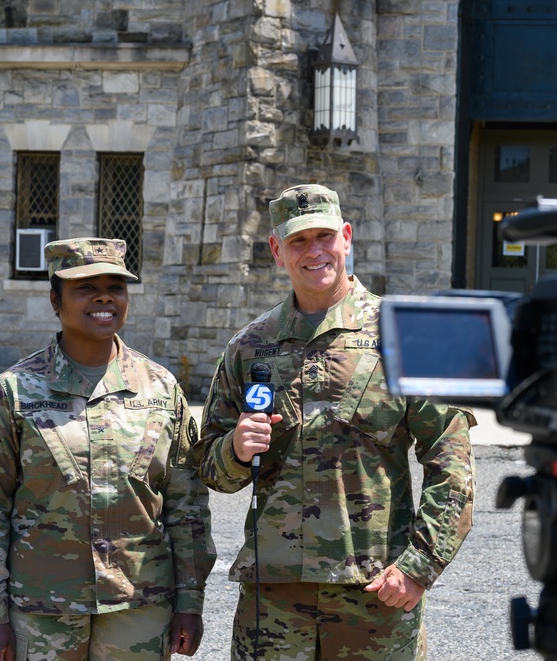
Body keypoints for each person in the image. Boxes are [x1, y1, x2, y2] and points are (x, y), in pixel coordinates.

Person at [195, 184, 476, 660]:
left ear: (346, 237)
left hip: (376, 595)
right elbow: (209, 468)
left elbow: (452, 463)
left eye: (324, 236)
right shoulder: (249, 347)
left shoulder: (404, 335)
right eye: (298, 241)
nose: (314, 251)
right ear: (276, 250)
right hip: (274, 600)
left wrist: (421, 565)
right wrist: (236, 450)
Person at [0, 237, 216, 661]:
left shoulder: (162, 388)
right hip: (43, 607)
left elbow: (185, 506)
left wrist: (190, 601)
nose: (103, 297)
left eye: (115, 286)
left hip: (140, 604)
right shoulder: (14, 393)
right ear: (55, 301)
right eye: (84, 287)